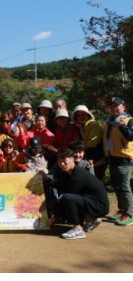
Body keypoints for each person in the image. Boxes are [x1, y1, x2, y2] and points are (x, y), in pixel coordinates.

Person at [42, 148, 109, 240]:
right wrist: (47, 179)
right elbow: (60, 186)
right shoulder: (68, 172)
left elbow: (65, 196)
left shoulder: (78, 175)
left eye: (65, 161)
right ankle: (90, 219)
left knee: (67, 198)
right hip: (90, 201)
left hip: (99, 206)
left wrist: (54, 217)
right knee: (67, 198)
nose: (62, 164)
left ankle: (78, 229)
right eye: (59, 162)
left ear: (72, 159)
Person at [103, 97, 133, 226]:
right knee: (118, 187)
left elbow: (131, 136)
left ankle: (130, 213)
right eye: (111, 106)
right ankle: (122, 210)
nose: (114, 108)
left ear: (123, 107)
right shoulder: (109, 121)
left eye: (117, 105)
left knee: (124, 187)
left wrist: (123, 126)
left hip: (124, 159)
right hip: (113, 158)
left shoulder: (129, 120)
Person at [71, 105, 106, 181]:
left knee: (97, 182)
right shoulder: (83, 127)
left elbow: (92, 142)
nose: (81, 117)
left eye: (83, 114)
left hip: (98, 160)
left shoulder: (94, 125)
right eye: (79, 116)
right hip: (92, 159)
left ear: (88, 115)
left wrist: (78, 144)